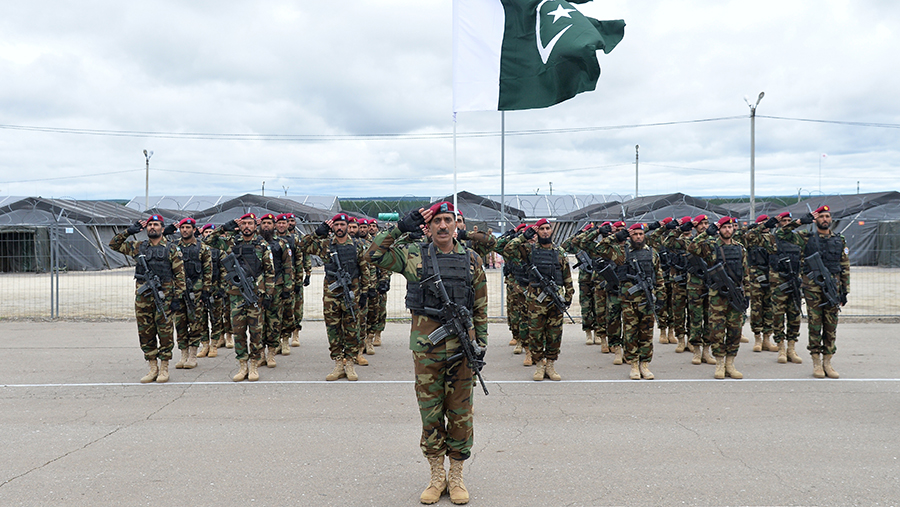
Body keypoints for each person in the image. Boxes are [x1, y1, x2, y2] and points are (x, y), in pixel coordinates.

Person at [366, 201, 487, 505]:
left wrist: (480, 344)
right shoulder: (412, 256)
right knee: (430, 413)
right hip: (427, 351)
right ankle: (436, 476)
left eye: (448, 220)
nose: (443, 226)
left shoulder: (471, 259)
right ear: (428, 226)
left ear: (456, 224)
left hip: (462, 351)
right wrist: (398, 228)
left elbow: (480, 306)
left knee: (460, 414)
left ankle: (456, 475)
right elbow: (373, 255)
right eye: (437, 221)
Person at [109, 215, 186, 383]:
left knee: (165, 332)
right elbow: (113, 244)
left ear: (162, 228)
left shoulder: (172, 248)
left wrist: (176, 299)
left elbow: (180, 275)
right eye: (150, 225)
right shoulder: (138, 247)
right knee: (145, 332)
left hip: (164, 297)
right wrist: (128, 231)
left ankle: (164, 367)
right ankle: (152, 367)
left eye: (156, 225)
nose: (152, 227)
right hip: (143, 297)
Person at [776, 205, 849, 378]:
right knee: (815, 325)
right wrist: (800, 222)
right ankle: (816, 362)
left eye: (827, 216)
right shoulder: (806, 238)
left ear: (831, 220)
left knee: (831, 326)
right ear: (816, 219)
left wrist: (845, 290)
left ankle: (828, 362)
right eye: (821, 216)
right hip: (813, 288)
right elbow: (781, 235)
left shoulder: (840, 240)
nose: (825, 219)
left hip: (833, 287)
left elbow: (844, 265)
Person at [300, 213, 373, 381]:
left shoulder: (357, 246)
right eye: (336, 225)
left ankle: (350, 364)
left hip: (351, 294)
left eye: (342, 225)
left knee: (352, 329)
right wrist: (318, 233)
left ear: (347, 226)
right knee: (333, 329)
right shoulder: (325, 245)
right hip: (332, 295)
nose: (339, 228)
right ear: (332, 227)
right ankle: (339, 363)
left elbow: (364, 270)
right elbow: (302, 246)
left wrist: (364, 293)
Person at [204, 213, 275, 382]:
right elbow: (207, 242)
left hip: (255, 295)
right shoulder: (231, 242)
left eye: (250, 223)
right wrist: (223, 228)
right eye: (244, 224)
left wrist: (268, 294)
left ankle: (254, 365)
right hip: (236, 296)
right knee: (238, 333)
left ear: (255, 225)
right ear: (239, 226)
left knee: (256, 332)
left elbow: (269, 271)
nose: (247, 226)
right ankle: (242, 364)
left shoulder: (262, 245)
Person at [504, 218, 574, 381]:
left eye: (547, 228)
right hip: (536, 301)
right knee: (535, 334)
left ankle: (550, 364)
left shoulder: (559, 252)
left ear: (551, 231)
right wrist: (522, 237)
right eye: (541, 229)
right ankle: (539, 365)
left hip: (555, 299)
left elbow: (567, 276)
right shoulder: (529, 250)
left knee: (554, 334)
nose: (544, 231)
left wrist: (568, 296)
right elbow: (506, 250)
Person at [596, 223, 666, 379]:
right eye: (635, 234)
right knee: (630, 333)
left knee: (647, 334)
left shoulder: (652, 254)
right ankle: (634, 364)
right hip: (629, 301)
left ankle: (645, 365)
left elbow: (659, 277)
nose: (639, 237)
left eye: (641, 234)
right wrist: (616, 236)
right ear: (630, 236)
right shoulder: (622, 253)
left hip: (647, 300)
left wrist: (661, 298)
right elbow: (599, 249)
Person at [687, 216, 750, 379]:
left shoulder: (740, 248)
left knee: (735, 331)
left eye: (730, 227)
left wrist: (747, 295)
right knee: (717, 330)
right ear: (719, 229)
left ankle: (730, 363)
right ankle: (720, 363)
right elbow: (692, 247)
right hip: (717, 297)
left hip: (735, 294)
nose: (728, 230)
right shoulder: (711, 247)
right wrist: (706, 233)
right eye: (724, 227)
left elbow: (746, 273)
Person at [171, 217, 212, 370]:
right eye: (182, 228)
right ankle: (183, 354)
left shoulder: (203, 248)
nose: (185, 230)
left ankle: (193, 354)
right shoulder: (174, 247)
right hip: (178, 292)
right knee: (180, 324)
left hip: (196, 292)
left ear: (194, 230)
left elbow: (208, 271)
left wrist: (206, 291)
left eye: (188, 227)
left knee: (195, 323)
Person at [763, 212, 804, 364]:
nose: (786, 223)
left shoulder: (797, 239)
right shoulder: (773, 238)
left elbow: (803, 258)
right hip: (778, 282)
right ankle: (781, 347)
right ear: (778, 223)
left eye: (789, 221)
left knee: (794, 315)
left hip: (794, 280)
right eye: (784, 221)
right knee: (778, 315)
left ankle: (791, 348)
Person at [257, 213, 294, 368]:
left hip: (276, 287)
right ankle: (260, 355)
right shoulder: (254, 243)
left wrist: (287, 287)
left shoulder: (281, 243)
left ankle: (271, 353)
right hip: (257, 289)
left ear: (274, 226)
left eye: (269, 223)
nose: (266, 226)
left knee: (274, 322)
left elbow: (287, 266)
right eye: (264, 223)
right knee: (258, 323)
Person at [496, 224, 533, 363]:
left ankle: (530, 347)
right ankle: (518, 338)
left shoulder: (530, 248)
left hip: (530, 285)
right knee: (514, 314)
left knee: (528, 316)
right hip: (514, 284)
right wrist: (512, 234)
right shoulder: (513, 248)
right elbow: (497, 246)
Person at [744, 215, 779, 353]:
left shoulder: (773, 238)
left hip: (770, 276)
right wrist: (760, 226)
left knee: (769, 306)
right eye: (764, 223)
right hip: (756, 276)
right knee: (757, 307)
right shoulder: (753, 237)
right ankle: (757, 338)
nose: (766, 225)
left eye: (768, 223)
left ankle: (767, 338)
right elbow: (746, 235)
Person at [562, 223, 597, 346]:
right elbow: (564, 245)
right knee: (586, 306)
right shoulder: (578, 248)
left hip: (597, 279)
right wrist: (578, 233)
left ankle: (598, 332)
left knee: (597, 306)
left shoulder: (597, 246)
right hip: (585, 280)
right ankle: (588, 331)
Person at [200, 224, 229, 356]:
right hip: (200, 290)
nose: (208, 234)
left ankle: (214, 344)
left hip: (215, 289)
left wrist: (222, 289)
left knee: (216, 318)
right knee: (201, 318)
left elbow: (224, 271)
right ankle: (204, 344)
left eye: (211, 232)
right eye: (206, 232)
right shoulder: (198, 250)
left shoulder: (220, 252)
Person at [286, 214, 313, 348]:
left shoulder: (300, 238)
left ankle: (296, 332)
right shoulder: (278, 238)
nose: (290, 223)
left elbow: (306, 255)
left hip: (296, 276)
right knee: (284, 308)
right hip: (282, 279)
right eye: (288, 221)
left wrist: (308, 273)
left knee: (297, 307)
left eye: (292, 221)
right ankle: (283, 335)